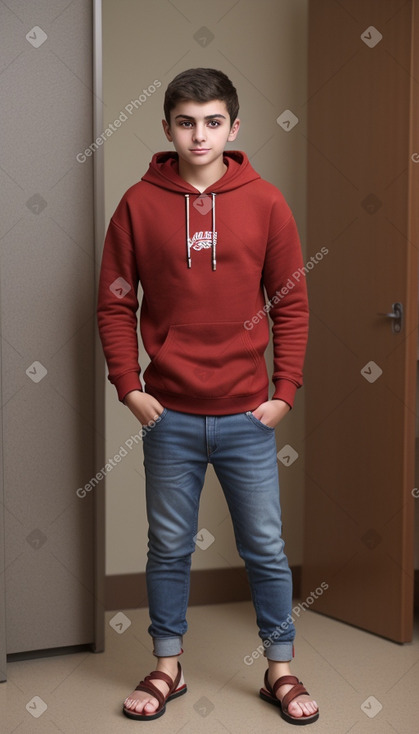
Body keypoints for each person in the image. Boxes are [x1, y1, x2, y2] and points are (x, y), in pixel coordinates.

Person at [97, 67, 319, 726]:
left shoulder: (266, 201)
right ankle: (168, 665)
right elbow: (113, 304)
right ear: (167, 128)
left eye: (213, 121)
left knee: (265, 548)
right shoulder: (138, 204)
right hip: (167, 412)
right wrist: (128, 386)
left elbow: (292, 304)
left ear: (233, 127)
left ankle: (278, 668)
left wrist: (284, 391)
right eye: (187, 122)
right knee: (167, 546)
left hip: (248, 413)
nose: (200, 134)